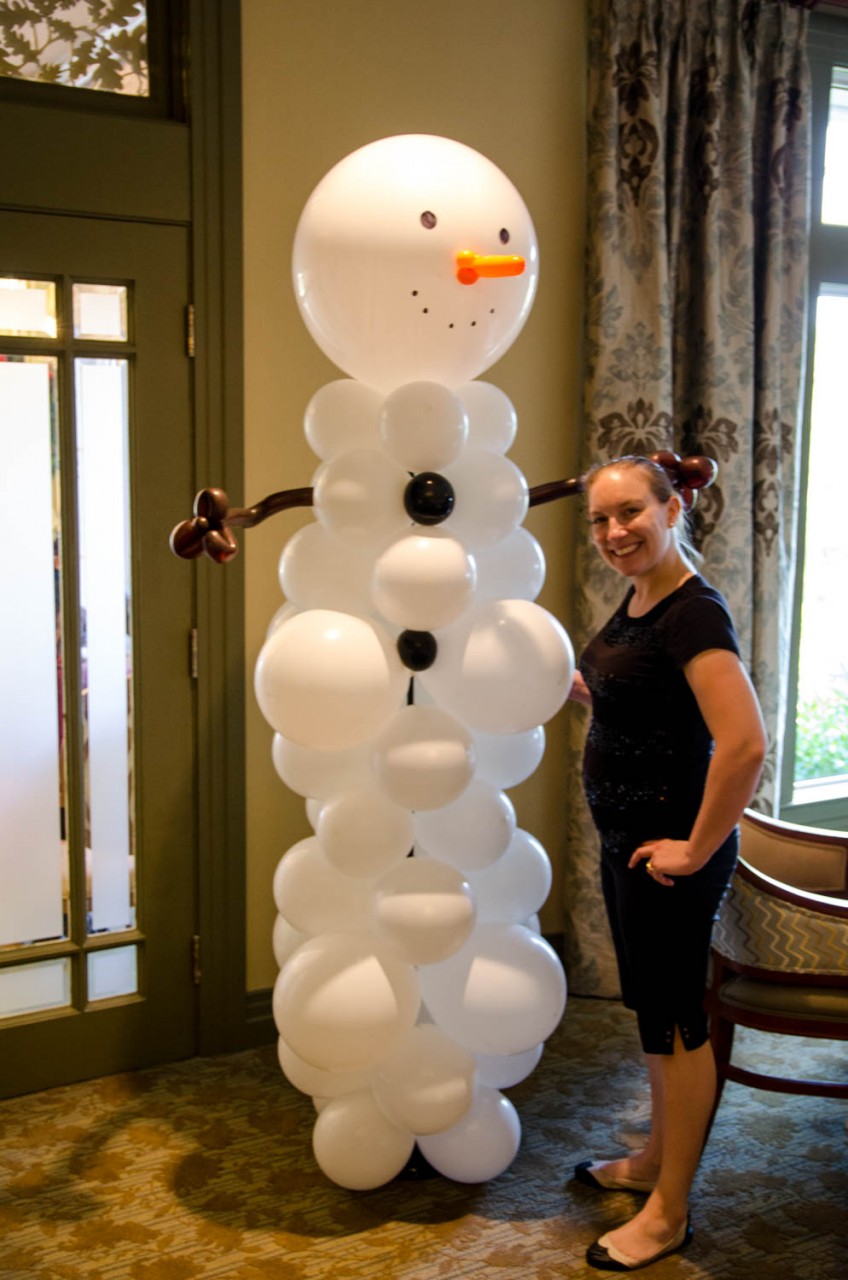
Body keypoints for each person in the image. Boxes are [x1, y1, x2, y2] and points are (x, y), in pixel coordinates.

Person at [569, 455, 767, 1272]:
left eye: (631, 513)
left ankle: (669, 1212)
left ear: (672, 507)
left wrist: (695, 848)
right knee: (655, 1018)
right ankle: (655, 1160)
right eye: (601, 520)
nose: (616, 532)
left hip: (670, 860)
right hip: (630, 848)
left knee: (681, 1028)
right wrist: (579, 689)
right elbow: (648, 696)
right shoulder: (640, 596)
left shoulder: (692, 612)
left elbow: (746, 741)